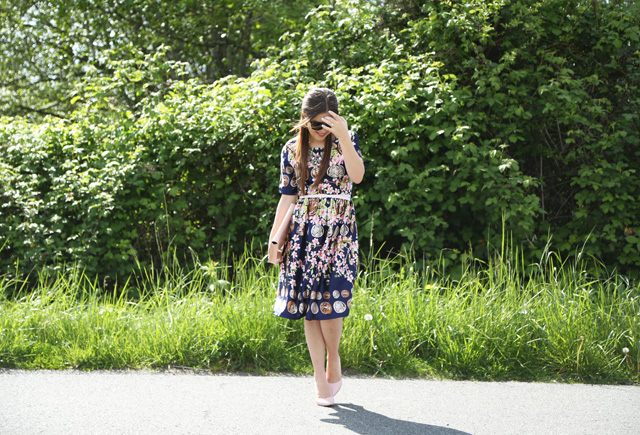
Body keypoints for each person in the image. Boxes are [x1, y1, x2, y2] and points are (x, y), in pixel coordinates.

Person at [268, 88, 365, 406]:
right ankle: (318, 378)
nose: (320, 130)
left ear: (335, 119)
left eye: (326, 123)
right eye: (314, 124)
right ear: (304, 119)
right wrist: (274, 240)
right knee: (310, 310)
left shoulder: (345, 140)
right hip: (303, 234)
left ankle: (333, 359)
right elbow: (287, 197)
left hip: (339, 232)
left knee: (332, 300)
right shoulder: (291, 148)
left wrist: (345, 137)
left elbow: (358, 176)